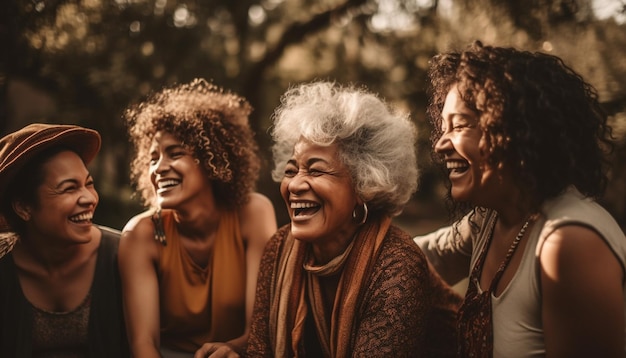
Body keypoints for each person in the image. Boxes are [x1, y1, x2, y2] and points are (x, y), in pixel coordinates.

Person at [414, 40, 626, 357]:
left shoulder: (569, 241)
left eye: (459, 125)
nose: (441, 146)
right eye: (443, 128)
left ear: (515, 130)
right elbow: (413, 260)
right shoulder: (491, 220)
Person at [246, 81, 462, 358]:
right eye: (291, 170)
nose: (295, 184)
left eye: (317, 171)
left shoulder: (397, 265)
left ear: (364, 186)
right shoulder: (278, 248)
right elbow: (259, 350)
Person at [119, 78, 277, 358]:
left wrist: (232, 349)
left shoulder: (253, 213)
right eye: (153, 159)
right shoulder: (141, 234)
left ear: (211, 159)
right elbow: (143, 345)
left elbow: (260, 327)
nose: (159, 169)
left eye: (175, 153)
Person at [0, 123, 129, 357]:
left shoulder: (123, 256)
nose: (89, 198)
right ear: (23, 207)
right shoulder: (4, 262)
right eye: (69, 189)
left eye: (89, 184)